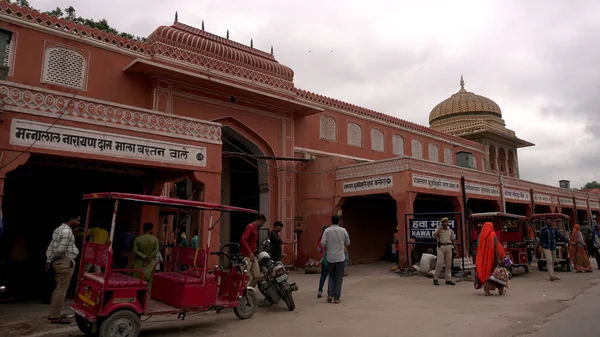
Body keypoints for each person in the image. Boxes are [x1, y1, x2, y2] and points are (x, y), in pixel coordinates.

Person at [45, 215, 81, 324]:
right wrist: (53, 259)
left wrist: (49, 260)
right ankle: (55, 316)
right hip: (64, 261)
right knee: (61, 290)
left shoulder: (58, 229)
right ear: (71, 219)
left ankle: (54, 313)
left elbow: (51, 247)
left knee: (58, 288)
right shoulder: (67, 232)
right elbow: (60, 250)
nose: (78, 223)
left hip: (58, 261)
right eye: (77, 220)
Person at [321, 215, 350, 304]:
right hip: (340, 257)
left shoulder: (327, 230)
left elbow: (323, 244)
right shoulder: (343, 230)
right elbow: (348, 242)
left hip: (330, 257)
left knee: (331, 276)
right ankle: (336, 297)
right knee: (339, 277)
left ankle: (330, 294)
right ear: (339, 221)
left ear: (331, 221)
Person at [474, 222, 509, 296]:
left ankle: (486, 291)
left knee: (487, 274)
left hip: (483, 259)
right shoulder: (492, 234)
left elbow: (477, 247)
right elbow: (496, 247)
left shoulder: (480, 236)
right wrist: (499, 259)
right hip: (492, 259)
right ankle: (501, 290)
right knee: (497, 274)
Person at [240, 214, 267, 288]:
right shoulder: (250, 227)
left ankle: (249, 290)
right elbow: (243, 240)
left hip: (252, 255)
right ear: (260, 221)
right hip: (247, 255)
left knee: (257, 275)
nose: (262, 225)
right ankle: (243, 291)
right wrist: (249, 252)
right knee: (246, 276)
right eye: (263, 223)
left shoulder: (255, 228)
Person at [133, 223, 160, 294]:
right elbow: (156, 250)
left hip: (139, 263)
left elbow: (135, 250)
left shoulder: (137, 239)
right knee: (149, 282)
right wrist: (149, 257)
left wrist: (144, 256)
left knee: (137, 280)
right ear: (150, 229)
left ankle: (137, 295)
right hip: (150, 264)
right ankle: (147, 297)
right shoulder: (155, 239)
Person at [433, 217, 457, 286]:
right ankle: (436, 278)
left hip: (449, 247)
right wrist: (440, 228)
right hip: (441, 247)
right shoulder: (438, 229)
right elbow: (435, 235)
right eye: (444, 222)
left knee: (448, 264)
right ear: (442, 223)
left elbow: (453, 240)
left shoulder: (450, 231)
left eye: (446, 222)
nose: (445, 223)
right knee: (439, 263)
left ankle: (448, 279)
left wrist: (456, 249)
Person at [317, 225, 329, 298]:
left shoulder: (321, 240)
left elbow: (319, 249)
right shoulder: (331, 239)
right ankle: (330, 292)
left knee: (323, 276)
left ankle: (320, 290)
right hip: (331, 259)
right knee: (332, 276)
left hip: (323, 259)